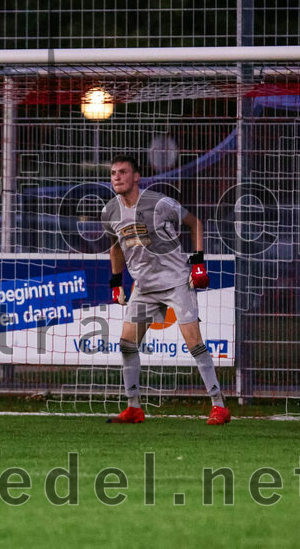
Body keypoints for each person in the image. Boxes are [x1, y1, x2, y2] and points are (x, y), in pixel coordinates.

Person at [101, 155, 229, 425]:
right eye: (113, 173)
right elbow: (115, 246)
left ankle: (219, 406)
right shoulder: (110, 212)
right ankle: (134, 408)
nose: (117, 177)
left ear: (136, 177)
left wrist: (197, 265)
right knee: (127, 344)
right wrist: (116, 282)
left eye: (123, 172)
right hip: (144, 287)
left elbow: (195, 224)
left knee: (194, 343)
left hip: (175, 281)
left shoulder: (159, 203)